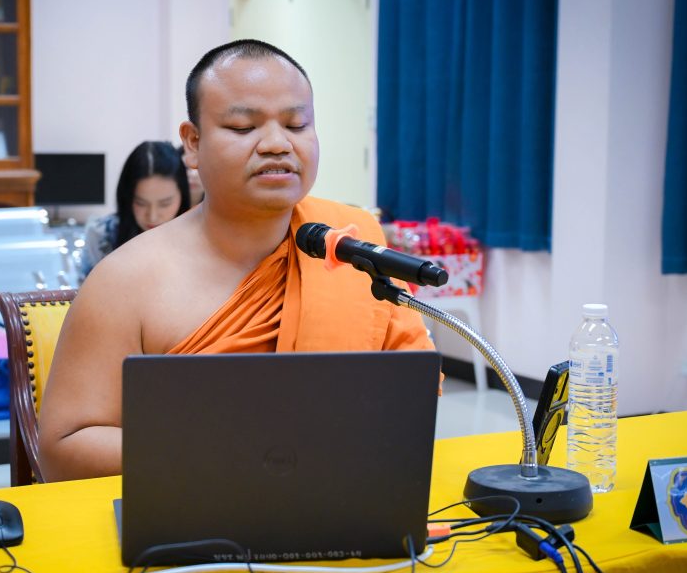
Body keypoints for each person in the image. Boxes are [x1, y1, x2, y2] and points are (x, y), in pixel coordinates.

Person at [40, 39, 436, 481]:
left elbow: (412, 390)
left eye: (297, 124)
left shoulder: (352, 242)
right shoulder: (127, 279)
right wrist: (237, 451)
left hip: (341, 495)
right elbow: (63, 448)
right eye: (244, 127)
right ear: (192, 143)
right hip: (190, 509)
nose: (277, 144)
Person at [76, 141, 191, 283]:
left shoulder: (199, 236)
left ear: (182, 195)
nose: (152, 216)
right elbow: (86, 292)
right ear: (127, 197)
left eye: (165, 204)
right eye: (141, 203)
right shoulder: (102, 235)